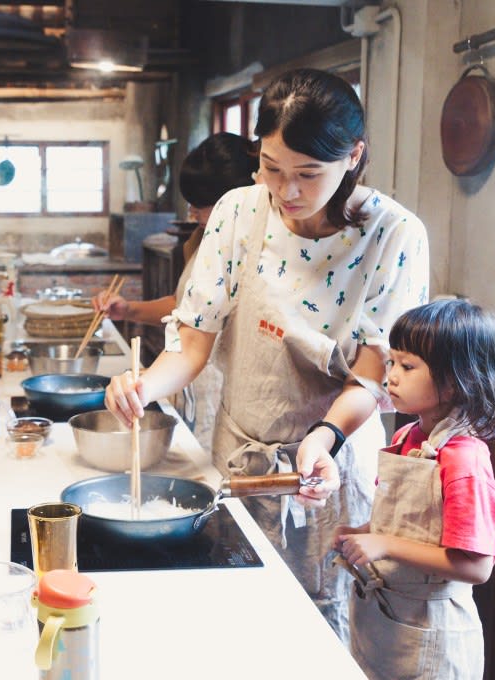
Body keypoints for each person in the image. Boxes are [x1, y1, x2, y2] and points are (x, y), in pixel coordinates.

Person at [104, 68, 430, 639]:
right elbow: (194, 341)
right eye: (271, 167)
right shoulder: (238, 211)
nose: (288, 191)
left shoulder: (394, 234)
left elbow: (375, 375)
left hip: (329, 464)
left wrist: (323, 440)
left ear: (354, 156)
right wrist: (143, 387)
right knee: (235, 614)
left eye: (308, 174)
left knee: (318, 623)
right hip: (241, 452)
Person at [333, 298, 495, 679]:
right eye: (392, 362)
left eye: (408, 366)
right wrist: (362, 535)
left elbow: (477, 566)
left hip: (432, 633)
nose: (391, 375)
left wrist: (385, 545)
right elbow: (413, 527)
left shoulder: (463, 459)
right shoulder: (408, 436)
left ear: (455, 381)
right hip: (389, 622)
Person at [92, 132, 259, 449]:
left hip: (219, 392)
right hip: (186, 380)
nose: (191, 214)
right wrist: (128, 309)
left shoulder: (254, 253)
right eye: (190, 204)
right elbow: (184, 306)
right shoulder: (202, 241)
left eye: (200, 206)